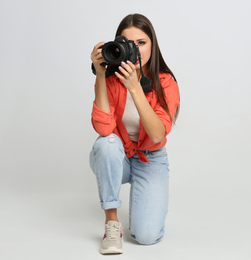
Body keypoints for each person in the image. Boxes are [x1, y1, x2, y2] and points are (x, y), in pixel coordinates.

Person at [89, 13, 180, 254]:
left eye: (141, 43)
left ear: (153, 44)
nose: (135, 49)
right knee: (106, 143)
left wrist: (135, 88)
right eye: (128, 43)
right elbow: (103, 128)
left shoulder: (165, 82)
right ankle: (111, 221)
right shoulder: (110, 78)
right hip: (116, 154)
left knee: (147, 236)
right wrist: (100, 74)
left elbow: (157, 134)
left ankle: (143, 203)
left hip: (150, 159)